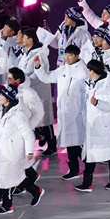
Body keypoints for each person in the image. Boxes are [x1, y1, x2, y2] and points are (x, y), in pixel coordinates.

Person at [34, 44, 87, 179]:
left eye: (70, 55)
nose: (67, 57)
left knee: (77, 144)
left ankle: (88, 168)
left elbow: (87, 93)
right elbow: (47, 78)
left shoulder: (83, 72)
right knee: (70, 144)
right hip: (64, 113)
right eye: (66, 54)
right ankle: (74, 170)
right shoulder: (62, 69)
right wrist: (38, 67)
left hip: (76, 114)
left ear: (77, 56)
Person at [0, 83, 44, 215]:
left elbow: (28, 134)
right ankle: (36, 191)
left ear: (7, 97)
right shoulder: (4, 110)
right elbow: (1, 129)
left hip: (13, 152)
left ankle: (7, 206)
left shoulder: (18, 115)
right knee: (16, 178)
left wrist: (29, 152)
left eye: (2, 95)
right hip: (4, 150)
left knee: (7, 178)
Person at [75, 59, 110, 192]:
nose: (87, 72)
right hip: (91, 126)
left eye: (88, 69)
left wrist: (97, 103)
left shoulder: (107, 86)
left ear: (93, 71)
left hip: (103, 126)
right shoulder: (91, 84)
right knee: (91, 154)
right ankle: (87, 183)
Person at [16, 28, 56, 156]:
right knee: (35, 116)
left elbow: (38, 73)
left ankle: (52, 145)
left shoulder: (40, 54)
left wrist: (24, 80)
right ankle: (42, 138)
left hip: (39, 89)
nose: (21, 39)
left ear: (30, 40)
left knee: (45, 119)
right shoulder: (27, 53)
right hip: (28, 90)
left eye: (24, 37)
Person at [0, 19, 21, 85]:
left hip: (11, 75)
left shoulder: (17, 43)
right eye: (4, 27)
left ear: (12, 32)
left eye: (6, 28)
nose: (3, 30)